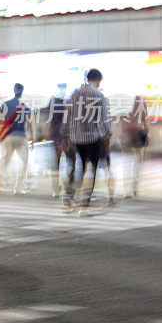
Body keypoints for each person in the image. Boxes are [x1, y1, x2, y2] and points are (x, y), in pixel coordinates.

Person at [63, 69, 111, 215]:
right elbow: (104, 119)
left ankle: (68, 197)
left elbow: (68, 116)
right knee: (92, 170)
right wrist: (108, 135)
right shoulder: (99, 95)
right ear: (97, 80)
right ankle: (84, 205)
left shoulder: (75, 95)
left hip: (76, 138)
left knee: (80, 167)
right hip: (93, 138)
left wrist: (66, 135)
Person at [0, 83, 32, 194]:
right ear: (22, 93)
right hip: (21, 136)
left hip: (9, 137)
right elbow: (29, 123)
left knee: (4, 159)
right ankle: (19, 188)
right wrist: (33, 138)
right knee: (24, 162)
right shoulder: (25, 107)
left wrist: (0, 132)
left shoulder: (5, 104)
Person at [45, 84, 76, 208]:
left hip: (56, 135)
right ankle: (67, 182)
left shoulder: (52, 102)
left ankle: (56, 189)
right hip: (67, 137)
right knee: (71, 161)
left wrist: (49, 134)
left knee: (57, 162)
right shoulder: (69, 103)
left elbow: (49, 120)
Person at [122, 95, 150, 198]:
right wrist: (147, 135)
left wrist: (121, 135)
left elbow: (120, 122)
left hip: (127, 137)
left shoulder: (124, 102)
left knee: (127, 163)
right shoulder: (141, 100)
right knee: (137, 162)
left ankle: (127, 190)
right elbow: (146, 119)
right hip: (138, 136)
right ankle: (134, 187)